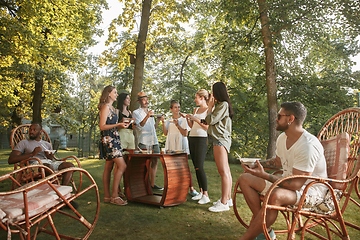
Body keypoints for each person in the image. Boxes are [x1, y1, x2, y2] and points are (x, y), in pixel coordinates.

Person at [238, 102, 328, 240]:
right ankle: (265, 228)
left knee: (276, 195)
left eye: (279, 116)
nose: (276, 118)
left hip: (311, 191)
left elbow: (296, 185)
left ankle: (248, 237)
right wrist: (255, 165)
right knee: (245, 178)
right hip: (287, 183)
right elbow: (278, 162)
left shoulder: (308, 146)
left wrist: (265, 175)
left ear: (290, 119)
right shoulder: (282, 138)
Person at [8, 123, 75, 186]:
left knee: (70, 166)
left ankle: (62, 189)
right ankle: (56, 190)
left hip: (49, 163)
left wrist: (49, 156)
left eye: (34, 130)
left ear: (40, 132)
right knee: (48, 167)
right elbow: (11, 160)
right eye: (30, 130)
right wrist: (32, 153)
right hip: (33, 165)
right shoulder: (23, 143)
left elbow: (50, 159)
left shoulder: (47, 144)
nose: (31, 131)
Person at [205, 82, 234, 212]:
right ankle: (227, 199)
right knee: (226, 171)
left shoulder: (222, 105)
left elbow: (210, 120)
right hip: (222, 140)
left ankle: (223, 203)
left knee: (223, 172)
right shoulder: (223, 105)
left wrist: (210, 107)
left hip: (220, 140)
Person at [161, 100, 199, 197]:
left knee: (185, 167)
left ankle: (191, 188)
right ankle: (175, 188)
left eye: (178, 107)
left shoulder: (183, 119)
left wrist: (177, 125)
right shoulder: (169, 120)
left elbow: (185, 133)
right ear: (171, 109)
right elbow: (165, 133)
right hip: (171, 145)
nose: (178, 109)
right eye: (175, 107)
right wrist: (162, 122)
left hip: (181, 144)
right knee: (172, 167)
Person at [98, 85, 129, 206]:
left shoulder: (112, 108)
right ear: (109, 94)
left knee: (109, 167)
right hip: (109, 140)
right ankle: (115, 196)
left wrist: (120, 124)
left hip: (114, 138)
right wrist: (118, 125)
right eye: (115, 92)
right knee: (122, 166)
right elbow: (102, 126)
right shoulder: (105, 107)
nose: (116, 94)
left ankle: (107, 196)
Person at [133, 91, 163, 190]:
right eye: (143, 99)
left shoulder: (151, 112)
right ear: (139, 101)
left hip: (154, 140)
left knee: (155, 161)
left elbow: (153, 127)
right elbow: (139, 127)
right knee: (144, 164)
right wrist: (147, 116)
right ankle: (143, 185)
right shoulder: (136, 112)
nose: (146, 101)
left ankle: (152, 184)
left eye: (146, 99)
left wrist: (158, 120)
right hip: (144, 142)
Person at [186, 89, 211, 204]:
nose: (195, 99)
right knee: (196, 166)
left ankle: (206, 194)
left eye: (196, 97)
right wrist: (188, 118)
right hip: (192, 137)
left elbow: (206, 127)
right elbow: (192, 126)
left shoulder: (208, 110)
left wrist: (195, 118)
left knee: (200, 166)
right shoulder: (196, 109)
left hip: (201, 139)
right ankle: (201, 192)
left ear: (202, 98)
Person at [116, 92, 136, 198]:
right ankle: (118, 189)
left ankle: (128, 187)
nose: (129, 100)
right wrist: (121, 123)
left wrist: (133, 126)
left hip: (130, 136)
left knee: (130, 162)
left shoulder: (130, 112)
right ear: (122, 99)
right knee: (120, 163)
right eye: (127, 98)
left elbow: (131, 127)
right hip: (122, 136)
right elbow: (115, 127)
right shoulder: (118, 111)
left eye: (129, 98)